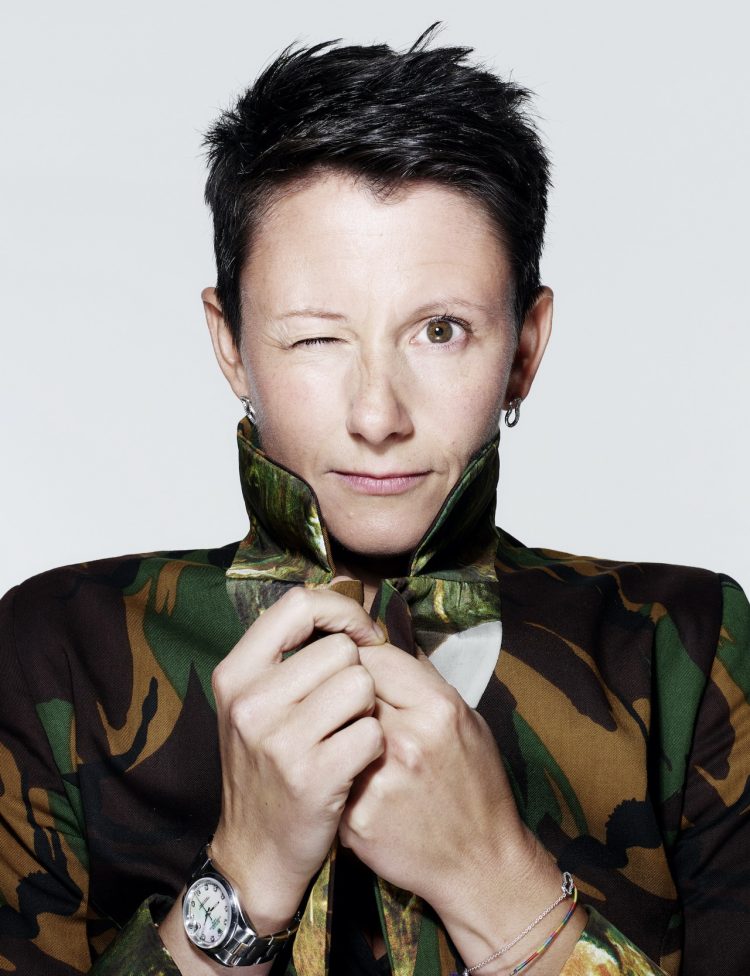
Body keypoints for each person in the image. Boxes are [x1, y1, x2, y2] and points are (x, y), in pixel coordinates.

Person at [1, 25, 748, 976]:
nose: (377, 415)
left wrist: (495, 880)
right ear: (231, 344)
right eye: (317, 338)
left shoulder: (681, 653)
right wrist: (244, 879)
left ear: (525, 347)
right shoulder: (65, 654)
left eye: (441, 331)